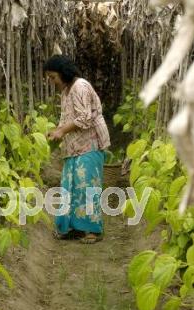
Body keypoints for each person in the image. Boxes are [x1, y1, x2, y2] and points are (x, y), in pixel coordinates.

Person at [44, 54, 111, 244]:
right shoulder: (66, 91)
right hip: (74, 146)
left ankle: (92, 230)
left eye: (53, 77)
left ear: (63, 73)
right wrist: (56, 132)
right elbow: (66, 118)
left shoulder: (80, 86)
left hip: (90, 144)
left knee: (87, 187)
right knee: (70, 186)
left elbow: (84, 118)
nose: (52, 81)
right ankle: (73, 227)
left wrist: (61, 131)